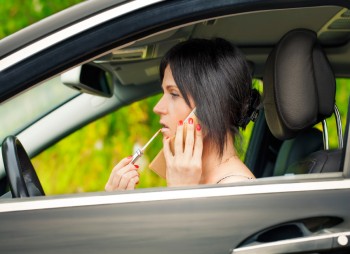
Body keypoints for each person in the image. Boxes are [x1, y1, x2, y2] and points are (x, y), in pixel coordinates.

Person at [105, 38, 260, 191]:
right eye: (163, 92)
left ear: (215, 106)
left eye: (174, 94)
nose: (158, 108)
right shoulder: (197, 182)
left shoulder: (237, 190)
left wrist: (181, 192)